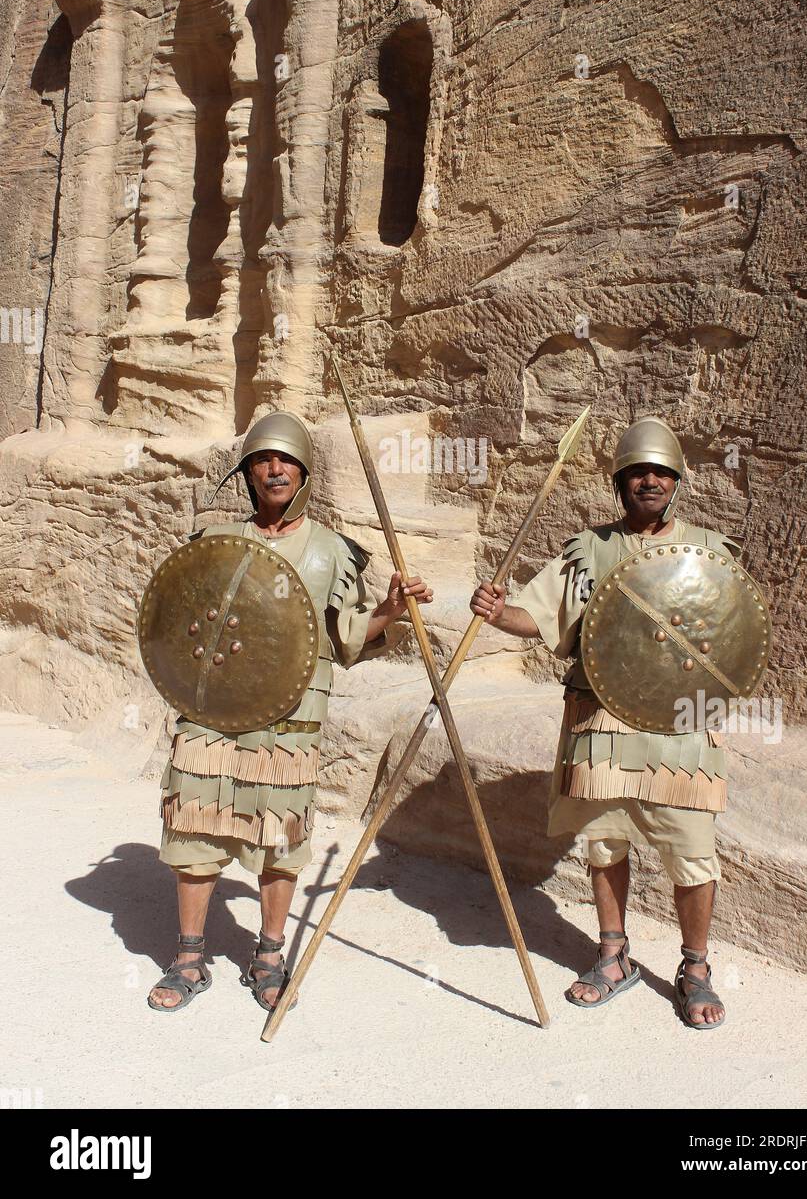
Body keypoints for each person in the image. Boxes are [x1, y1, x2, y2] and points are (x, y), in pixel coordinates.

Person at [147, 411, 432, 1012]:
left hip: (289, 717)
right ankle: (190, 957)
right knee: (195, 824)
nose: (273, 469)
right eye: (261, 460)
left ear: (304, 471)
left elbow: (348, 638)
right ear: (247, 472)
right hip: (212, 714)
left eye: (285, 460)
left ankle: (269, 954)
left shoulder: (333, 552)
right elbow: (178, 623)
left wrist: (390, 609)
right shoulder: (215, 544)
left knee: (279, 837)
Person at [470, 416, 738, 1029]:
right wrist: (496, 611)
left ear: (676, 480)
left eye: (659, 472)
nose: (648, 481)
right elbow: (538, 617)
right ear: (619, 481)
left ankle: (694, 967)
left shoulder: (708, 552)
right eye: (636, 472)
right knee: (606, 842)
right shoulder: (589, 551)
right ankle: (614, 956)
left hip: (679, 725)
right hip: (603, 718)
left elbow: (730, 638)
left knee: (693, 853)